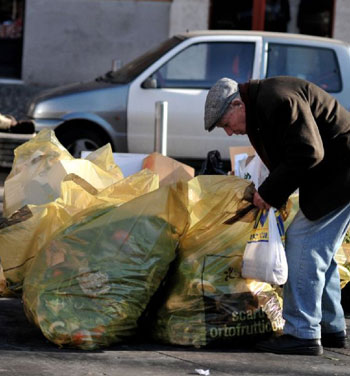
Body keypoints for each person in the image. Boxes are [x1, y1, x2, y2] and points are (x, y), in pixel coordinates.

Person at [204, 76, 350, 355]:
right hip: (337, 173)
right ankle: (331, 327)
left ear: (237, 104)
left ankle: (302, 332)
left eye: (226, 124)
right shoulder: (264, 102)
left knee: (303, 244)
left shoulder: (278, 100)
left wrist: (270, 193)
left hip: (341, 173)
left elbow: (308, 151)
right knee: (323, 251)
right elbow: (289, 152)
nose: (229, 133)